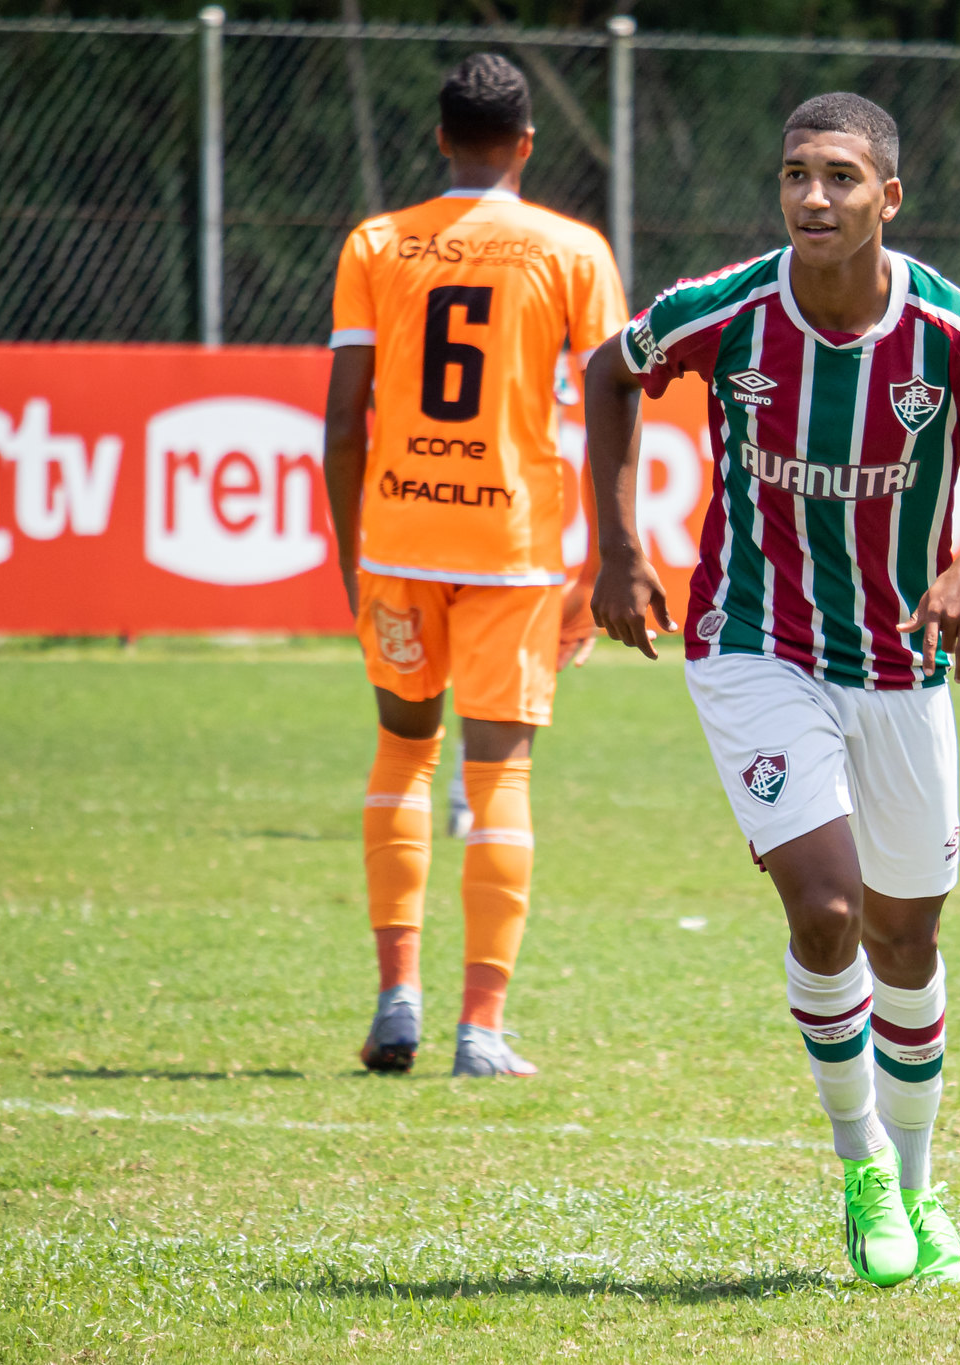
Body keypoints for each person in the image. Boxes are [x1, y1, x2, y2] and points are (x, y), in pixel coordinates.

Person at [580, 92, 960, 1286]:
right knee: (823, 911)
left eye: (841, 178)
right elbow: (611, 372)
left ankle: (920, 1191)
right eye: (797, 174)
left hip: (901, 665)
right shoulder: (727, 311)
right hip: (749, 642)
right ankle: (861, 1168)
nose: (814, 196)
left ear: (887, 198)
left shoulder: (951, 334)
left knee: (904, 937)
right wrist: (613, 549)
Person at [323, 52, 626, 1079]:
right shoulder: (572, 249)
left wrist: (349, 557)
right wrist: (602, 560)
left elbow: (340, 426)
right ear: (526, 145)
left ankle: (394, 1000)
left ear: (442, 138)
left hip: (398, 541)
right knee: (496, 773)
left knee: (403, 754)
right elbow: (608, 411)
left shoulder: (377, 241)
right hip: (514, 547)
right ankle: (480, 1029)